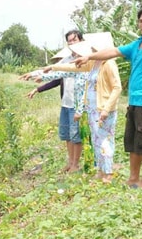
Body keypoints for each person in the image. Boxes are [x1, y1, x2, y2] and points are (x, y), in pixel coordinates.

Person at [74, 5, 142, 189]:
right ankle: (133, 178)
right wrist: (89, 56)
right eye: (141, 21)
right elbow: (114, 52)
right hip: (134, 102)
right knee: (133, 142)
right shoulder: (138, 44)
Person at [43, 33, 122, 183]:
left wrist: (106, 109)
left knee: (105, 140)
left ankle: (108, 173)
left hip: (103, 109)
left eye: (93, 47)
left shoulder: (109, 64)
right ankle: (101, 171)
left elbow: (117, 88)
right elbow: (72, 67)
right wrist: (52, 66)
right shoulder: (94, 63)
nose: (91, 50)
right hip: (92, 108)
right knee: (96, 139)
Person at [21, 30, 84, 173]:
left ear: (81, 40)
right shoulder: (66, 59)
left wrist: (42, 76)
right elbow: (54, 75)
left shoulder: (85, 60)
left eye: (74, 40)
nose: (71, 43)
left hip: (78, 104)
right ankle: (70, 162)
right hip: (66, 102)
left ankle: (75, 164)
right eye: (69, 41)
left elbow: (58, 71)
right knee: (67, 134)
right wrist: (33, 76)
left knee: (76, 135)